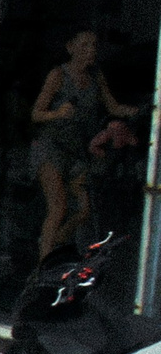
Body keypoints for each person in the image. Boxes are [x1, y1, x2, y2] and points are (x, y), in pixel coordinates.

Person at [30, 27, 143, 259]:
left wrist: (140, 111)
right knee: (58, 206)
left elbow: (112, 107)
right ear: (71, 48)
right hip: (51, 147)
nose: (90, 51)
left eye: (93, 46)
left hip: (77, 150)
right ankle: (43, 263)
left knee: (85, 208)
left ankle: (56, 241)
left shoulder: (96, 78)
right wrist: (58, 113)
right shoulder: (58, 76)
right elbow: (37, 114)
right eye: (84, 45)